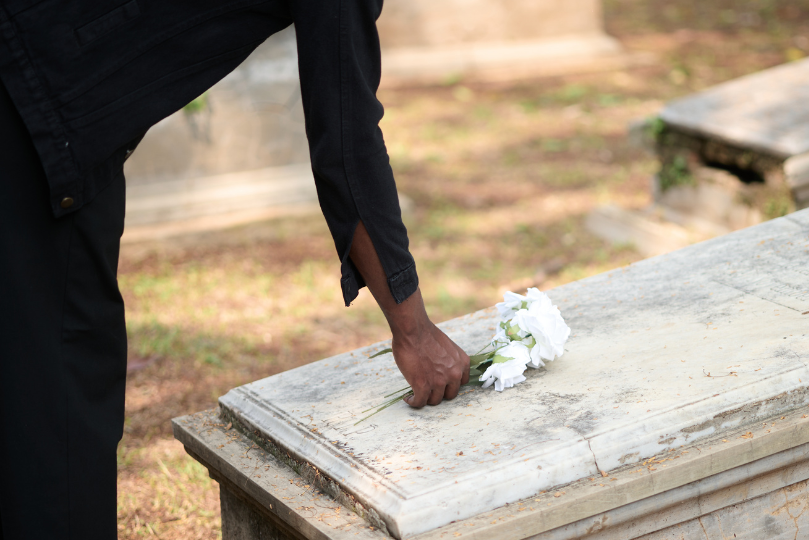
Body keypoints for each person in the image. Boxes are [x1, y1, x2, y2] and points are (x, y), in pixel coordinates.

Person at [0, 1, 470, 537]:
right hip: (30, 95)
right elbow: (346, 137)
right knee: (60, 407)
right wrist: (413, 328)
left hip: (56, 99)